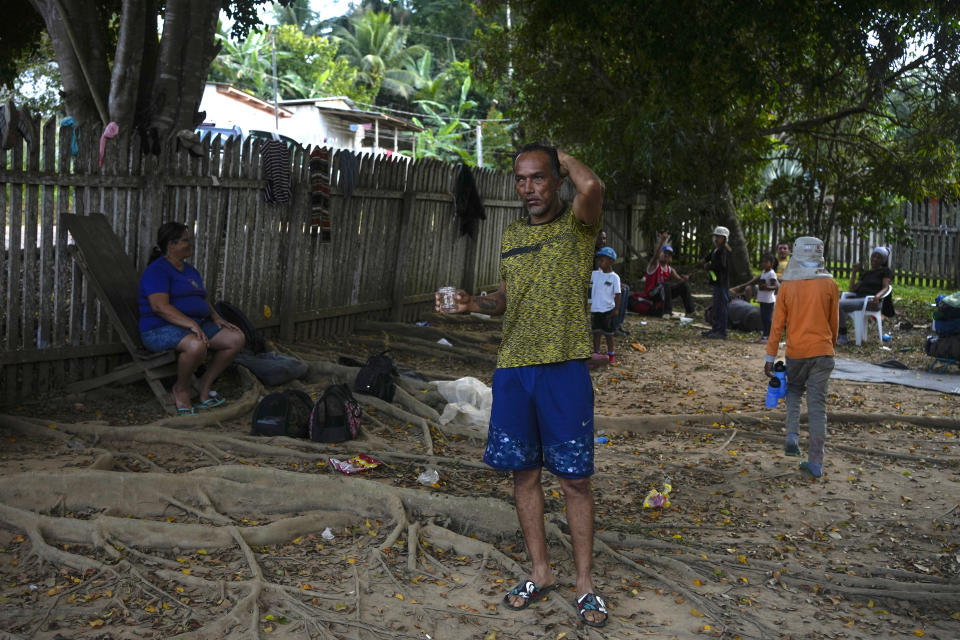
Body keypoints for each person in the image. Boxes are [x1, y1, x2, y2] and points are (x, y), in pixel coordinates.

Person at [435, 144, 608, 627]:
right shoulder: (511, 236)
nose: (528, 188)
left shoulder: (578, 227)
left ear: (557, 180)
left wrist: (563, 154)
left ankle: (585, 584)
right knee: (524, 474)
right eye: (521, 179)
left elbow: (592, 186)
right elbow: (506, 299)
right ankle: (540, 571)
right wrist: (474, 304)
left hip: (564, 369)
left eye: (538, 177)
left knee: (574, 480)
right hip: (514, 370)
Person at [138, 222, 245, 414]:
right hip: (159, 328)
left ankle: (203, 384)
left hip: (194, 325)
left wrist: (215, 317)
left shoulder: (190, 270)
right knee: (197, 346)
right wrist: (191, 324)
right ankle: (181, 389)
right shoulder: (157, 270)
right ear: (171, 245)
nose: (190, 244)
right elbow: (159, 307)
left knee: (235, 338)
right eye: (185, 241)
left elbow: (200, 297)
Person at [764, 237, 839, 479]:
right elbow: (834, 323)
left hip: (796, 353)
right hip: (823, 352)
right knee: (818, 407)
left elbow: (777, 325)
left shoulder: (787, 286)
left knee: (794, 390)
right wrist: (829, 346)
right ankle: (815, 462)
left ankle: (791, 439)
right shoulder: (830, 284)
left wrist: (769, 356)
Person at [837, 247, 894, 345]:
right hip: (859, 300)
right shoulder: (866, 273)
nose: (875, 259)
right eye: (873, 256)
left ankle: (842, 336)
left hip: (871, 302)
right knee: (834, 304)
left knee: (838, 304)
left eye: (879, 257)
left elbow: (886, 287)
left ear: (883, 260)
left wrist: (877, 296)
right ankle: (838, 334)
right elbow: (852, 289)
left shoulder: (885, 271)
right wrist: (854, 272)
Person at [643, 232, 694, 316]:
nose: (666, 255)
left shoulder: (670, 269)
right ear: (660, 254)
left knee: (683, 286)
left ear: (671, 258)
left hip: (663, 292)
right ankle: (667, 312)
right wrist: (662, 241)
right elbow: (655, 255)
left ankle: (690, 311)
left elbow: (679, 280)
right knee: (665, 285)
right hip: (652, 294)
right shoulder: (654, 265)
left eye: (669, 254)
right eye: (664, 253)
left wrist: (685, 278)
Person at [731, 253, 779, 343]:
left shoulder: (772, 274)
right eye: (762, 262)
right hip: (763, 299)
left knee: (768, 318)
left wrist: (766, 287)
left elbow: (774, 287)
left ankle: (769, 336)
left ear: (771, 263)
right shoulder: (764, 272)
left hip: (769, 300)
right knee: (764, 318)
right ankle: (765, 336)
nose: (763, 264)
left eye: (766, 262)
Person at [698, 226, 731, 339]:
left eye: (718, 237)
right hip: (716, 283)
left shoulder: (724, 251)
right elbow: (709, 256)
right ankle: (715, 329)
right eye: (715, 236)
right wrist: (704, 260)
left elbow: (721, 265)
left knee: (721, 307)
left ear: (724, 238)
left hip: (722, 283)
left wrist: (709, 266)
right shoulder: (716, 250)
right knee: (716, 307)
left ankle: (721, 332)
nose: (716, 239)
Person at [591, 247, 621, 364]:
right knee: (596, 333)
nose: (599, 262)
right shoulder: (595, 274)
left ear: (611, 261)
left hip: (608, 310)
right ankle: (597, 353)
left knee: (609, 334)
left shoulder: (614, 277)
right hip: (595, 309)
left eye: (602, 260)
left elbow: (618, 294)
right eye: (599, 259)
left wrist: (616, 309)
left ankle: (611, 354)